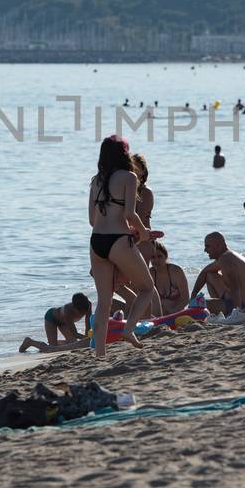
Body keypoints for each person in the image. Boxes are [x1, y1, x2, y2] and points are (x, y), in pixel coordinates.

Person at [86, 136, 156, 358]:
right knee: (147, 287)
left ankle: (100, 354)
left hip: (96, 241)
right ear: (125, 154)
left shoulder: (96, 180)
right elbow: (129, 214)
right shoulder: (129, 177)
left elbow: (91, 219)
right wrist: (143, 232)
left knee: (103, 303)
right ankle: (128, 329)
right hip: (118, 239)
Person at [192, 232, 245, 317]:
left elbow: (235, 288)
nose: (205, 250)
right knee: (209, 275)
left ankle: (227, 311)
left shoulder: (225, 259)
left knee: (200, 306)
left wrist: (237, 313)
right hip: (238, 301)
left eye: (207, 246)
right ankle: (223, 308)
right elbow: (205, 271)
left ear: (218, 245)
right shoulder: (227, 256)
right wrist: (193, 295)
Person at [19, 292, 93, 353]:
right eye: (80, 312)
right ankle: (30, 342)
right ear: (74, 307)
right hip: (51, 318)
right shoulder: (67, 310)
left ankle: (53, 341)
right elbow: (75, 333)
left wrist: (89, 337)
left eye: (84, 312)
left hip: (64, 323)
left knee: (73, 343)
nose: (82, 314)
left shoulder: (88, 305)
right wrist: (88, 339)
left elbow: (88, 324)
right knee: (52, 348)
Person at [147, 241, 191, 316]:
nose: (156, 260)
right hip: (156, 316)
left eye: (159, 256)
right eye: (153, 257)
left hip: (175, 314)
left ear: (166, 257)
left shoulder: (176, 271)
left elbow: (185, 298)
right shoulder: (149, 273)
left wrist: (173, 313)